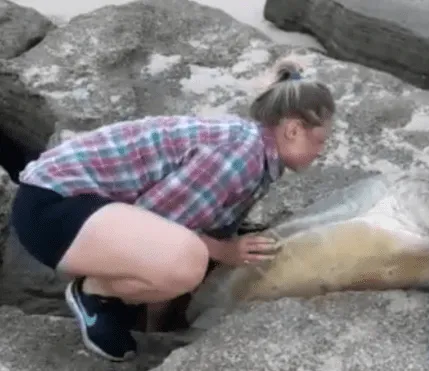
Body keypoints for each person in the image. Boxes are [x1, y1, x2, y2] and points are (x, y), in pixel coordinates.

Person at [9, 58, 336, 362]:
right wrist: (226, 251)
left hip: (79, 209)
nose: (322, 151)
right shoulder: (241, 155)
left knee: (189, 259)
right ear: (292, 130)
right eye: (320, 140)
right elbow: (161, 222)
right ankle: (94, 293)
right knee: (189, 260)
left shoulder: (254, 149)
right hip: (51, 209)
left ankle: (121, 302)